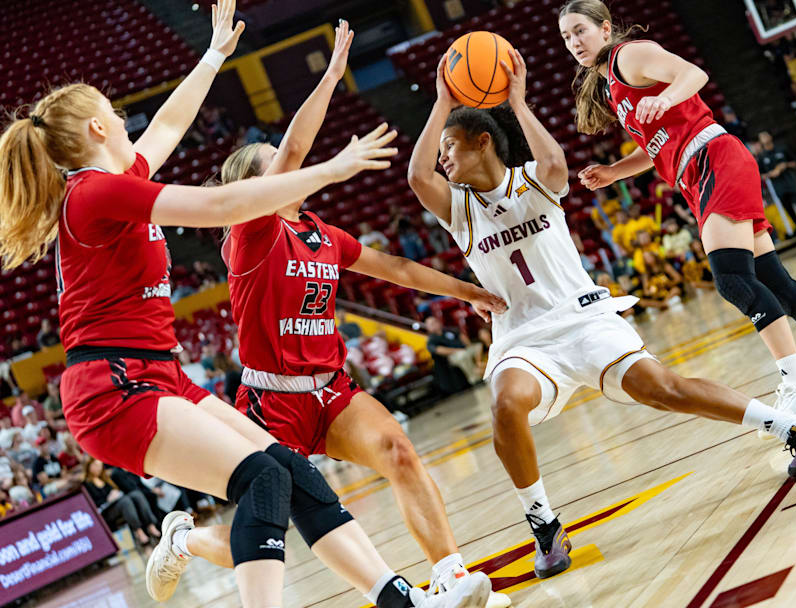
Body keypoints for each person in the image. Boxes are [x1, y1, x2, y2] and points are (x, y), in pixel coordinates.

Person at [0, 6, 489, 608]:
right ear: (98, 129)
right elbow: (217, 207)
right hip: (113, 386)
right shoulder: (94, 192)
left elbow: (170, 127)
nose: (128, 122)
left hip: (159, 374)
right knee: (263, 481)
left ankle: (401, 601)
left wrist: (211, 57)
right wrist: (332, 169)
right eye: (116, 113)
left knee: (293, 474)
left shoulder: (114, 183)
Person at [409, 35, 796, 581]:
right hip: (523, 339)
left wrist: (516, 103)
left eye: (450, 146)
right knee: (504, 402)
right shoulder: (459, 209)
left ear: (482, 144)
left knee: (663, 390)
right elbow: (416, 177)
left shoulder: (535, 182)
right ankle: (544, 524)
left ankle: (795, 428)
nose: (443, 159)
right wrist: (443, 102)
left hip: (583, 319)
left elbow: (554, 160)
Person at [156, 21, 500, 608]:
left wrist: (468, 292)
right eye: (274, 169)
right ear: (252, 189)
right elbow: (292, 151)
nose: (290, 172)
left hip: (333, 392)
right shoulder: (249, 234)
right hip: (272, 403)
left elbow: (398, 269)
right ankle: (185, 540)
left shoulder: (320, 234)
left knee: (397, 449)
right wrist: (332, 76)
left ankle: (450, 575)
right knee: (269, 538)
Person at [560, 0, 796, 433]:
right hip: (697, 173)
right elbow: (657, 145)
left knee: (733, 280)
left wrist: (667, 96)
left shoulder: (629, 55)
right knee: (774, 281)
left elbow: (693, 74)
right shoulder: (612, 86)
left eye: (580, 30)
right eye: (567, 37)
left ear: (605, 29)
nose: (574, 42)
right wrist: (613, 172)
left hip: (715, 159)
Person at [83, 457, 161, 545]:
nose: (98, 468)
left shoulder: (105, 478)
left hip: (116, 503)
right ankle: (138, 531)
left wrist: (116, 493)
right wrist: (107, 499)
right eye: (95, 465)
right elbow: (93, 505)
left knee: (136, 495)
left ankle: (150, 525)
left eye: (99, 465)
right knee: (125, 502)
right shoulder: (87, 485)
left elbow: (116, 490)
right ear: (89, 466)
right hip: (105, 512)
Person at [426, 317, 479, 391]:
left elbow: (461, 335)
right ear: (428, 327)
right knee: (462, 355)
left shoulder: (449, 330)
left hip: (464, 349)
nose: (435, 324)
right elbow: (439, 350)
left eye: (435, 321)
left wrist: (468, 345)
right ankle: (474, 379)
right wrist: (457, 350)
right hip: (452, 356)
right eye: (431, 324)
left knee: (478, 347)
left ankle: (480, 367)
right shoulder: (431, 339)